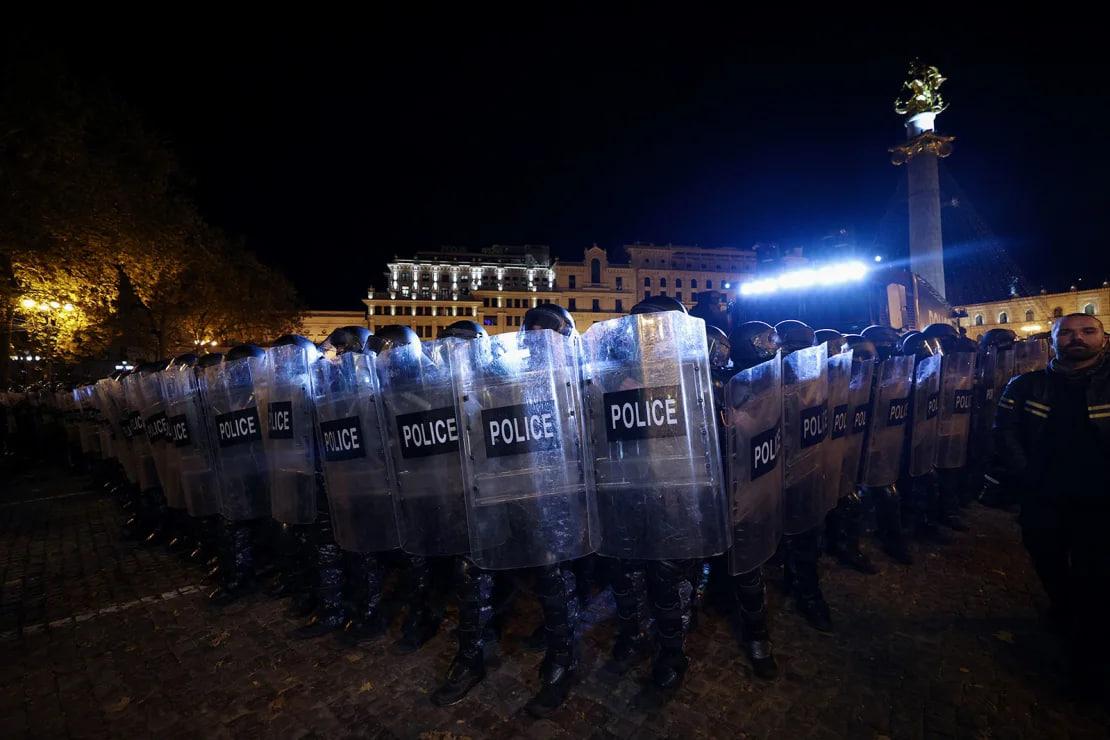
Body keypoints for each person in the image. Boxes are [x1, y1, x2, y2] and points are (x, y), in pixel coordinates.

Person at [992, 312, 1110, 699]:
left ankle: (1088, 665)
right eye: (1068, 333)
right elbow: (1004, 432)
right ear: (1053, 341)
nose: (1078, 339)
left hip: (1100, 500)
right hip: (1044, 495)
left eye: (1087, 332)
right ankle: (1064, 607)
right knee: (1046, 557)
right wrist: (1027, 476)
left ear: (1103, 338)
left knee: (1095, 576)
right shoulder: (1026, 385)